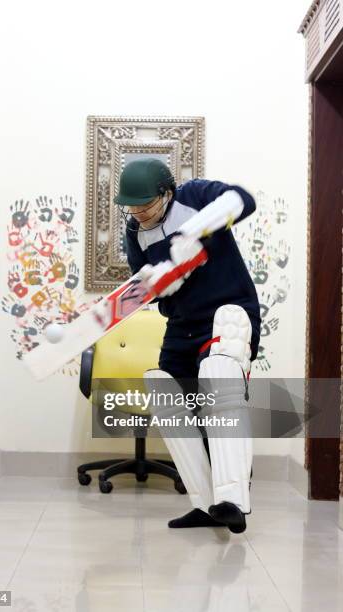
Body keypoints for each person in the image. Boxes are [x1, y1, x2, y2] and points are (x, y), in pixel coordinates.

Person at [114, 157, 261, 533]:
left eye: (145, 205)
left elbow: (242, 199)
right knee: (169, 398)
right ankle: (205, 503)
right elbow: (144, 288)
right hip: (182, 325)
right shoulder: (135, 232)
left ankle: (232, 499)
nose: (138, 214)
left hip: (227, 312)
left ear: (166, 194)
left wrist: (193, 232)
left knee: (219, 383)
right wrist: (161, 281)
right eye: (131, 207)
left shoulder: (194, 195)